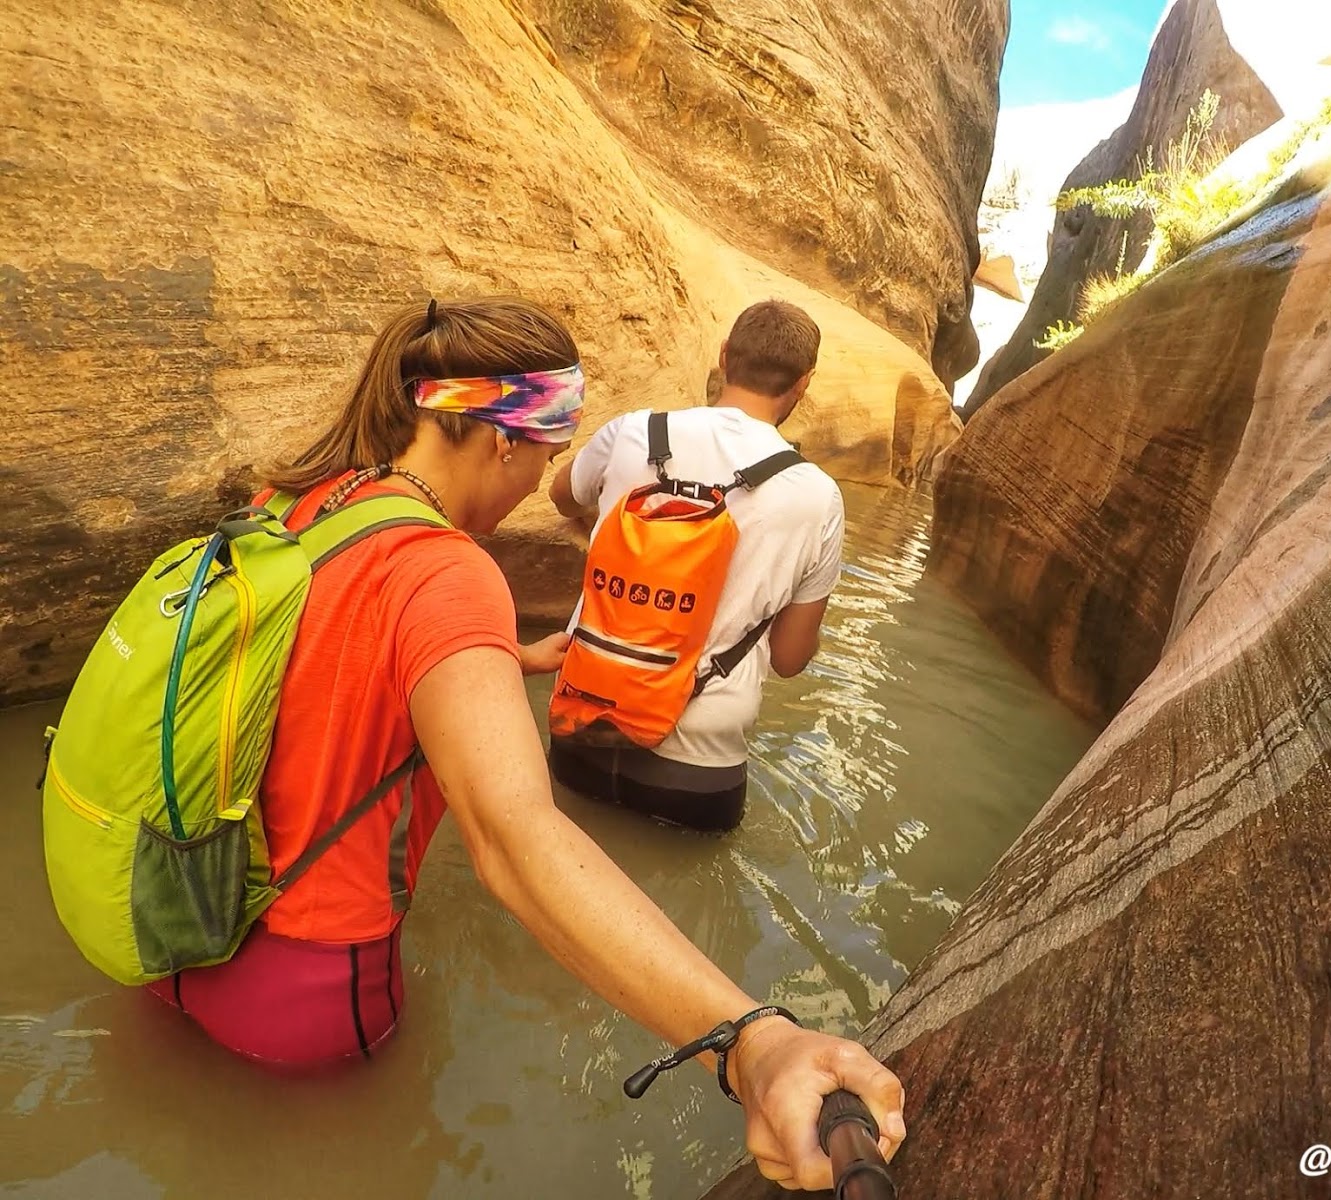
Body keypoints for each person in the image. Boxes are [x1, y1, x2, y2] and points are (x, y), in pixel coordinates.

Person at [144, 297, 902, 1192]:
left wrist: (501, 659)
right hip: (312, 998)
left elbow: (322, 670)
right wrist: (752, 1042)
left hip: (173, 934)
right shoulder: (448, 569)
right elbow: (514, 843)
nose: (546, 477)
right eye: (548, 450)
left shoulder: (302, 499)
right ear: (505, 439)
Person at [548, 300, 845, 832]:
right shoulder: (817, 496)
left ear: (726, 356)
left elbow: (563, 496)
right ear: (803, 383)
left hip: (585, 724)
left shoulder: (636, 432)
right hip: (699, 766)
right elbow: (790, 658)